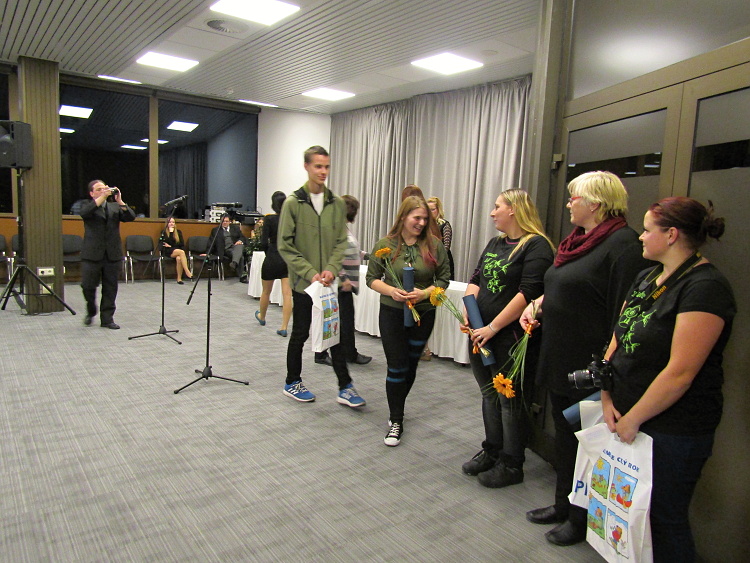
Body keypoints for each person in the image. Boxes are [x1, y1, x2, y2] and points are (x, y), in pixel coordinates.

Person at [601, 197, 734, 562]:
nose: (640, 237)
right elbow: (618, 336)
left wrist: (633, 419)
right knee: (629, 513)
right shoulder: (647, 277)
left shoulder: (705, 287)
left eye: (647, 230)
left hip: (673, 428)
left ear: (672, 235)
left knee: (664, 519)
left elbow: (680, 373)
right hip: (626, 414)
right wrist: (607, 395)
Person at [519, 171, 649, 546]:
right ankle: (564, 504)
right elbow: (564, 285)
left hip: (590, 365)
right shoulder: (576, 241)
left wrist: (607, 369)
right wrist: (538, 304)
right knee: (566, 439)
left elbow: (623, 314)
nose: (568, 204)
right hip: (561, 357)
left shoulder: (622, 245)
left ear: (595, 203)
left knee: (589, 445)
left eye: (573, 197)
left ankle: (581, 520)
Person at [461, 189, 555, 487]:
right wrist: (469, 311)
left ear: (514, 209)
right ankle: (492, 450)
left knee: (509, 401)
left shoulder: (536, 245)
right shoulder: (496, 243)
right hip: (481, 333)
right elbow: (476, 279)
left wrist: (493, 327)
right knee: (489, 394)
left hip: (510, 337)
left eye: (497, 206)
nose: (492, 212)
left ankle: (512, 463)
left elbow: (528, 293)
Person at [277, 145, 366, 408]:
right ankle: (292, 381)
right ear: (306, 166)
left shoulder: (336, 203)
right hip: (304, 284)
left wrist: (331, 268)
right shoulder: (293, 203)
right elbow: (285, 245)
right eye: (318, 166)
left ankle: (345, 387)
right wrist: (310, 273)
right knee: (300, 333)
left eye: (326, 166)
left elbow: (340, 242)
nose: (323, 171)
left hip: (329, 283)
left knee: (334, 334)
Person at [366, 196, 450, 446]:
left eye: (425, 219)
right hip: (392, 313)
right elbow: (372, 278)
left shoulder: (435, 245)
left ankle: (397, 406)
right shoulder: (385, 244)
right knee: (396, 366)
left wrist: (424, 294)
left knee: (411, 366)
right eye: (417, 218)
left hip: (424, 313)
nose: (422, 223)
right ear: (403, 217)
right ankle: (396, 420)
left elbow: (443, 280)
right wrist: (391, 291)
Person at [315, 195, 372, 366]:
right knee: (341, 320)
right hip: (338, 284)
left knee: (341, 320)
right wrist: (343, 277)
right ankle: (334, 354)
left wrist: (368, 256)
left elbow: (350, 251)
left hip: (342, 283)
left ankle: (345, 353)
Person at [79, 180, 136, 329]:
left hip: (112, 254)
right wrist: (102, 197)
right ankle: (91, 309)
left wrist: (120, 201)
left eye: (105, 188)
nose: (104, 191)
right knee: (88, 286)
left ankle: (107, 319)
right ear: (92, 193)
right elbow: (84, 214)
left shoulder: (114, 207)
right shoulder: (87, 205)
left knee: (111, 287)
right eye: (99, 189)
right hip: (92, 254)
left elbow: (130, 217)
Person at [255, 191, 293, 337]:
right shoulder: (290, 219)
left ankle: (262, 316)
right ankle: (284, 326)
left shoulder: (269, 219)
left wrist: (269, 253)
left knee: (266, 291)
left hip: (272, 256)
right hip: (286, 258)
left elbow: (263, 242)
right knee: (287, 294)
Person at [210, 215, 248, 283]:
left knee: (239, 246)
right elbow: (211, 242)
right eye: (223, 221)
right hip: (225, 250)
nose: (225, 223)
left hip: (235, 247)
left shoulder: (235, 228)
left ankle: (234, 263)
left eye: (226, 221)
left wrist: (240, 241)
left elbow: (242, 237)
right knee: (240, 257)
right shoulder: (216, 230)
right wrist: (207, 253)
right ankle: (241, 275)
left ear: (230, 222)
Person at [427, 196, 455, 280]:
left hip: (442, 260)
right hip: (427, 259)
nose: (430, 212)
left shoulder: (444, 224)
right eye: (428, 210)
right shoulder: (424, 224)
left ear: (438, 210)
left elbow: (446, 247)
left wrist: (436, 260)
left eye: (432, 209)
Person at [159, 217, 192, 284]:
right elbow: (164, 244)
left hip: (176, 251)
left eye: (173, 222)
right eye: (170, 222)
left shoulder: (179, 232)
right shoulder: (163, 232)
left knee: (179, 258)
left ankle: (179, 279)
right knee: (181, 252)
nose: (172, 224)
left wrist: (171, 246)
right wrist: (171, 233)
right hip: (167, 251)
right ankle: (187, 271)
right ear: (167, 223)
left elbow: (181, 244)